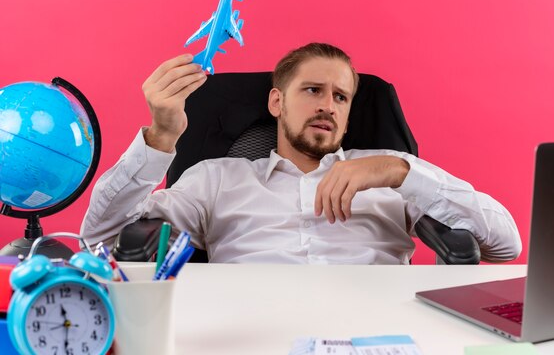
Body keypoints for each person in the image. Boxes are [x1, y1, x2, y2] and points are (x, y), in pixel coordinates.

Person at [81, 43, 521, 264]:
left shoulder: (390, 172)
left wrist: (400, 170)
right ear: (277, 102)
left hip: (377, 333)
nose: (328, 105)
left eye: (341, 97)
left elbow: (507, 244)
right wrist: (161, 135)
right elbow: (98, 239)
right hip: (248, 335)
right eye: (312, 90)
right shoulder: (216, 178)